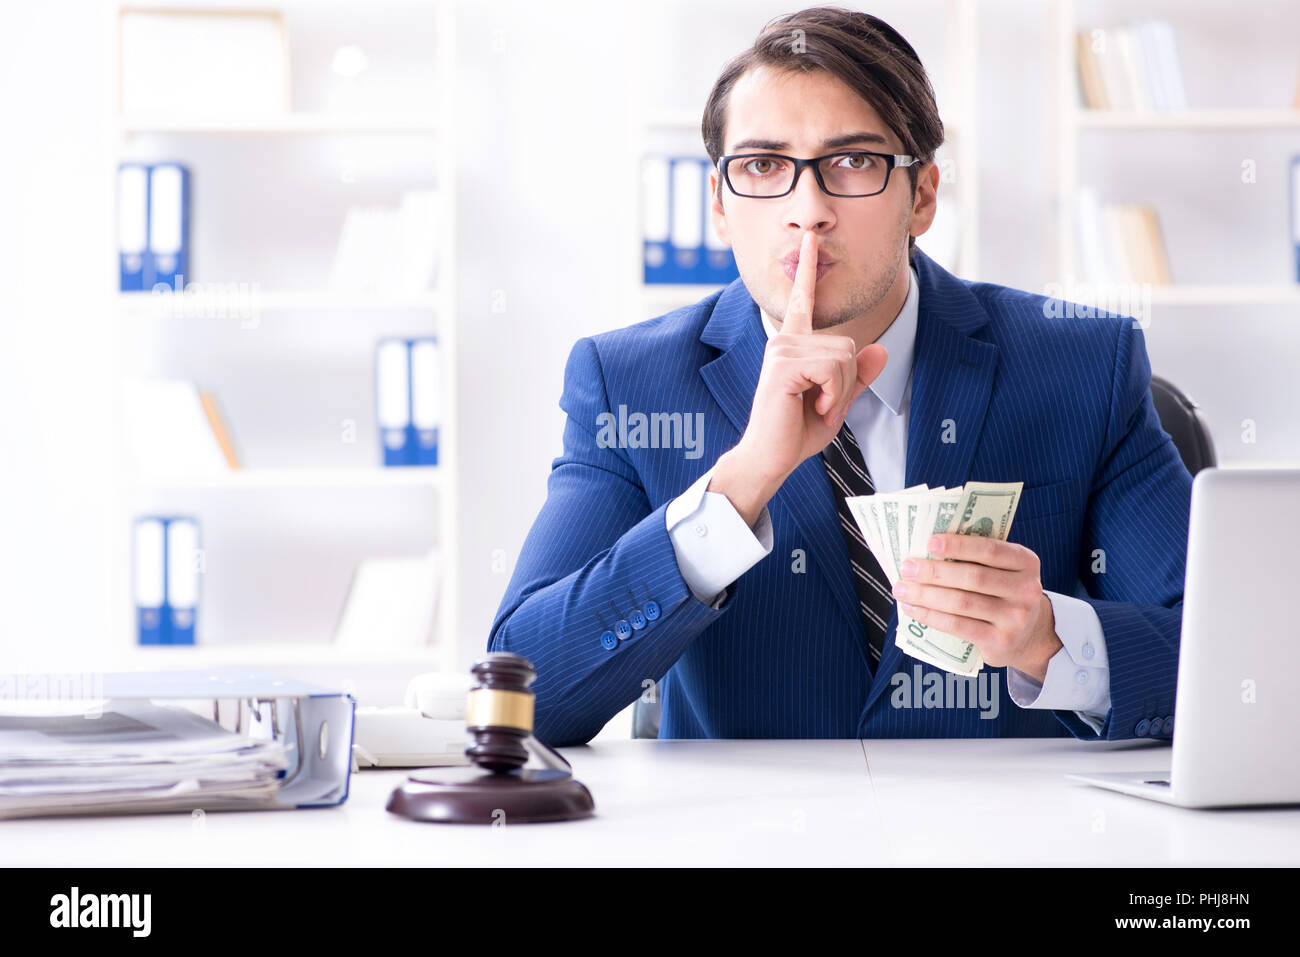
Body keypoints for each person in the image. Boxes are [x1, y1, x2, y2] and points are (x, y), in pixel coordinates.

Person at [488, 7, 1190, 746]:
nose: (808, 211)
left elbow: (1234, 664)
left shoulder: (1083, 363)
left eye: (853, 162)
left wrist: (1051, 639)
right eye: (763, 166)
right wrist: (739, 488)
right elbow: (523, 698)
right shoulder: (629, 382)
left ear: (921, 196)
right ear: (720, 206)